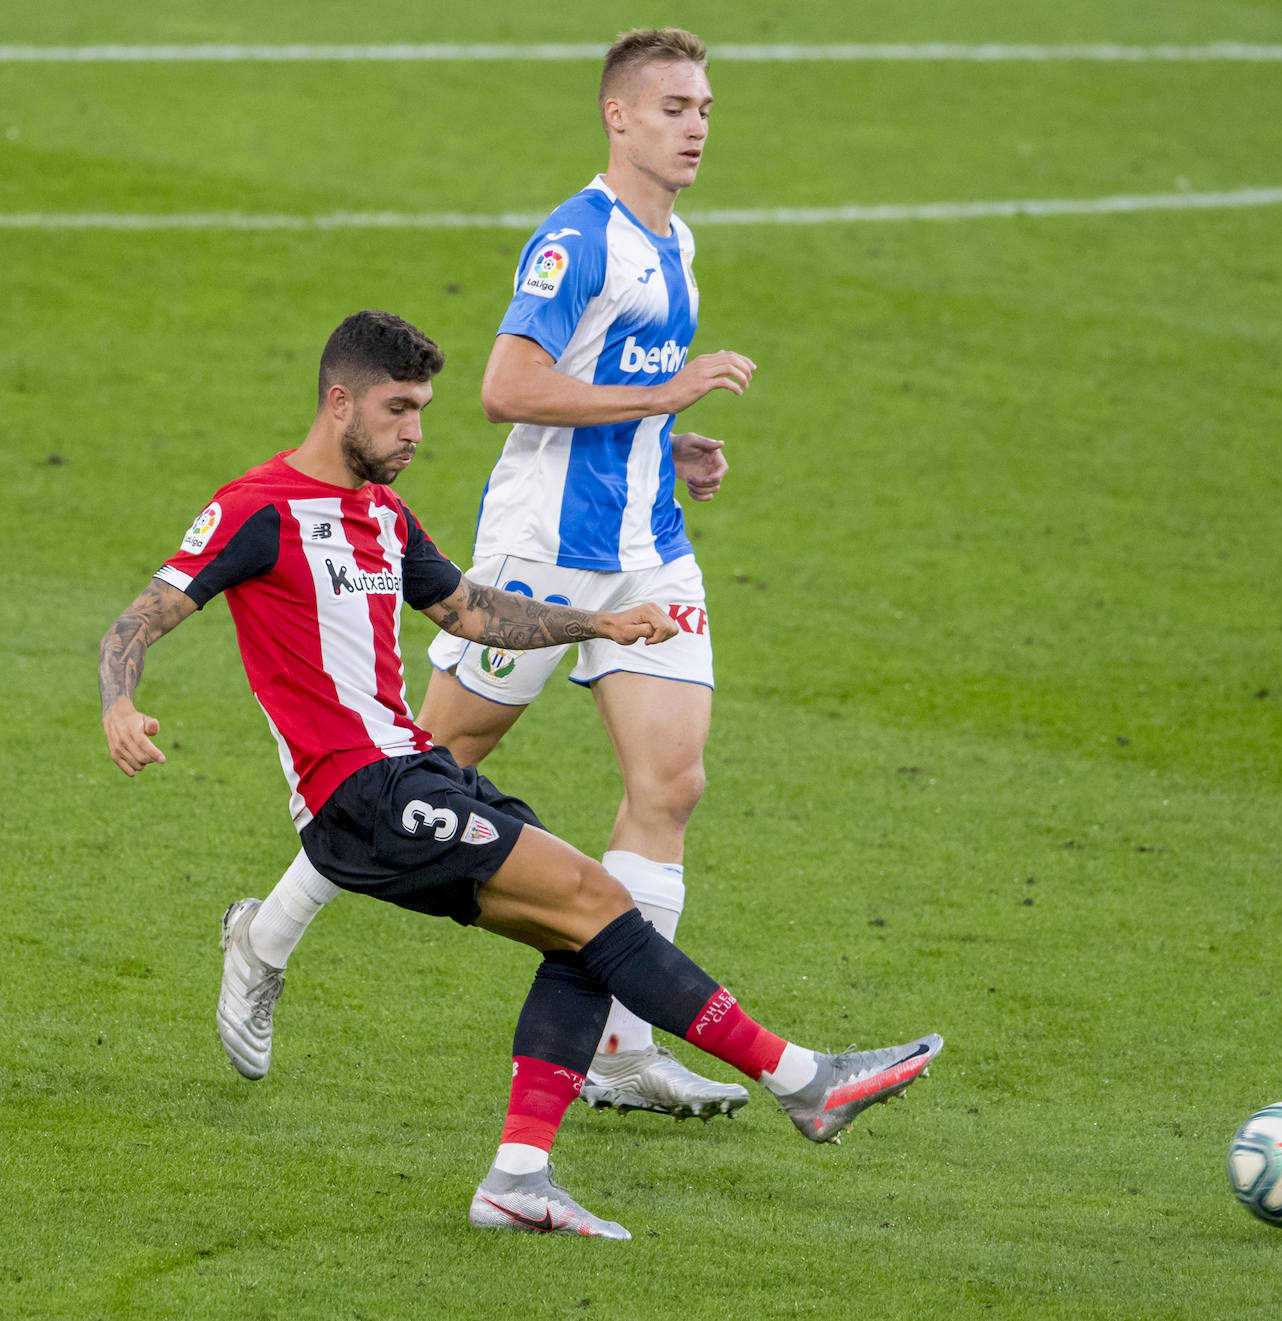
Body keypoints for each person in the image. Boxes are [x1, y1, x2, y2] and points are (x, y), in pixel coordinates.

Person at [99, 310, 942, 1238]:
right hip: (359, 797)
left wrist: (599, 625)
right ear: (339, 402)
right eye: (397, 409)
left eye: (422, 409)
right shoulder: (259, 508)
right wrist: (119, 703)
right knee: (597, 896)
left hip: (417, 775)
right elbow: (140, 617)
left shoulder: (384, 515)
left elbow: (468, 610)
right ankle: (804, 1079)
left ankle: (518, 1180)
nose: (415, 431)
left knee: (583, 932)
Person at [231, 27, 760, 1121]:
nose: (696, 124)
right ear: (618, 116)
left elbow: (618, 383)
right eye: (673, 107)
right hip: (541, 553)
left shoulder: (678, 242)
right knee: (421, 764)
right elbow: (508, 387)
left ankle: (618, 1050)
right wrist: (663, 403)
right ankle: (263, 934)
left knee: (671, 786)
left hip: (646, 547)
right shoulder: (578, 241)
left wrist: (671, 445)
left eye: (704, 107)